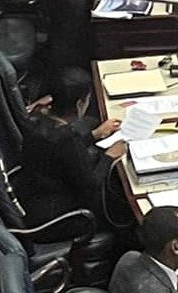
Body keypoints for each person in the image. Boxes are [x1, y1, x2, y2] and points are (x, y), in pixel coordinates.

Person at [18, 68, 123, 229]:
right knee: (117, 197)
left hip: (33, 196)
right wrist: (109, 157)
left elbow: (56, 152)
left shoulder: (35, 117)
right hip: (57, 217)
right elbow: (90, 188)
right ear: (80, 104)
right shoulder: (68, 140)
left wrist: (94, 134)